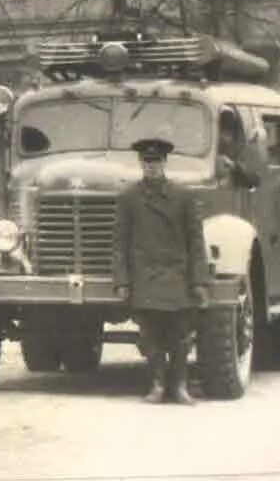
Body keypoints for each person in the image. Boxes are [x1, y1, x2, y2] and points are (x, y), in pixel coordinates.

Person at [113, 136, 209, 405]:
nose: (151, 166)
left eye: (156, 161)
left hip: (177, 274)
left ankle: (179, 386)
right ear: (140, 164)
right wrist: (122, 280)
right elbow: (119, 241)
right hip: (145, 275)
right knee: (150, 336)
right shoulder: (129, 197)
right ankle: (156, 385)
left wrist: (199, 281)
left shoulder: (184, 196)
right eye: (146, 161)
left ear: (165, 163)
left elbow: (196, 240)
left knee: (181, 336)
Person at [215, 110, 265, 190]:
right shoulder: (209, 146)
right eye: (221, 132)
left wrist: (233, 166)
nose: (223, 137)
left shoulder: (245, 150)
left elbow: (254, 179)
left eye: (227, 133)